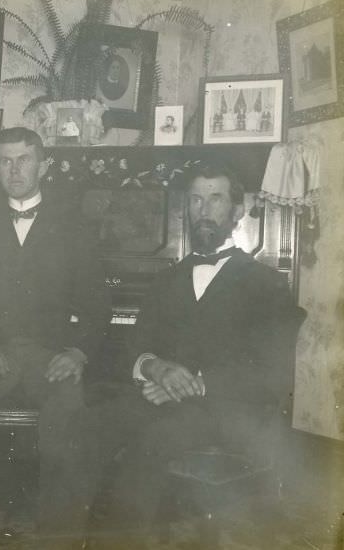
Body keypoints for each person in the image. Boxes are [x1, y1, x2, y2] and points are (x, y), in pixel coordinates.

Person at [67, 163, 300, 545]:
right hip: (159, 396)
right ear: (186, 209)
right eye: (195, 200)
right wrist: (156, 368)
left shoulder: (265, 284)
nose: (204, 210)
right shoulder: (167, 278)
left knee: (152, 441)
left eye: (215, 199)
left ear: (237, 211)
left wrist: (194, 384)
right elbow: (133, 347)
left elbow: (272, 371)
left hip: (227, 410)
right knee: (85, 426)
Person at [0, 127, 111, 541]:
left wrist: (76, 352)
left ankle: (59, 532)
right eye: (5, 161)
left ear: (44, 166)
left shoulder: (75, 227)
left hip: (49, 354)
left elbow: (97, 306)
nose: (14, 169)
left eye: (24, 159)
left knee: (68, 408)